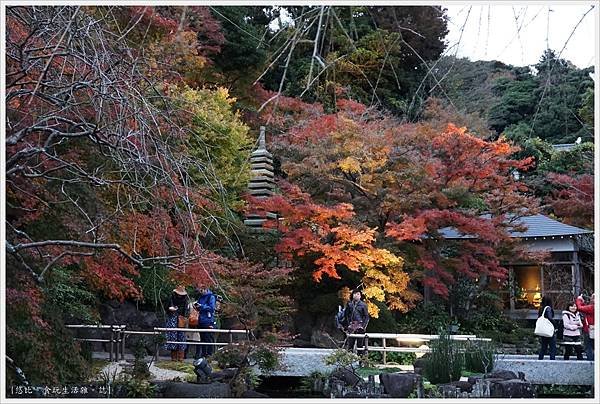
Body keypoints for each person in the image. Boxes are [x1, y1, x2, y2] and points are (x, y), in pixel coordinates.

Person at [164, 285, 189, 361]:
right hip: (172, 318)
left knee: (181, 337)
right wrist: (169, 309)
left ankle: (181, 357)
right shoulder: (171, 298)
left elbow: (186, 311)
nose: (180, 295)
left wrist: (184, 317)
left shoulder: (185, 300)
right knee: (172, 337)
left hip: (181, 319)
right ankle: (174, 357)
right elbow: (166, 307)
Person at [343, 289, 370, 356]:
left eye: (358, 294)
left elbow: (366, 317)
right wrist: (348, 325)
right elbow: (346, 315)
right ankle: (348, 361)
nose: (356, 295)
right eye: (354, 294)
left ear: (360, 296)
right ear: (352, 295)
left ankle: (361, 361)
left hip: (360, 326)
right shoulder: (349, 304)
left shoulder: (363, 305)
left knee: (360, 345)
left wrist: (363, 326)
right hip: (351, 326)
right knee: (350, 345)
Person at [194, 287, 217, 359]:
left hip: (208, 320)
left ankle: (209, 354)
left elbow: (212, 308)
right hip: (201, 319)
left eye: (201, 290)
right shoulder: (200, 297)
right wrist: (197, 306)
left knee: (208, 338)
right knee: (202, 338)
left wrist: (202, 306)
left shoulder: (211, 297)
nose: (201, 292)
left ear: (205, 289)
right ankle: (203, 354)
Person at [576, 293, 595, 360]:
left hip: (590, 329)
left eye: (592, 297)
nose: (591, 299)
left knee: (588, 346)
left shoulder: (593, 307)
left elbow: (580, 308)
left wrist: (579, 299)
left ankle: (591, 362)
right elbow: (586, 309)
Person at [538, 296, 556, 360]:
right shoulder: (548, 308)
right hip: (548, 329)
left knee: (543, 346)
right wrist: (555, 324)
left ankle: (540, 359)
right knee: (552, 346)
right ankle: (552, 360)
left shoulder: (541, 309)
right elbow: (550, 318)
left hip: (543, 330)